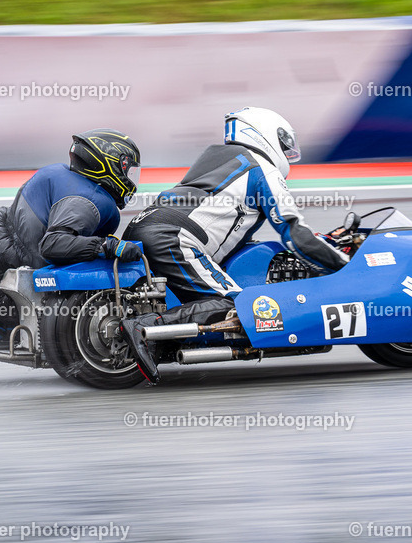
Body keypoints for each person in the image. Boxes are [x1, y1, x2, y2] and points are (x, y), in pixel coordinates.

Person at [119, 107, 348, 384]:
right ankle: (145, 328)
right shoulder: (261, 168)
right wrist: (342, 266)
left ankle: (162, 337)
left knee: (202, 295)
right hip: (175, 236)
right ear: (264, 134)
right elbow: (293, 232)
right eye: (284, 144)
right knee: (235, 303)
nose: (287, 153)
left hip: (144, 226)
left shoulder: (223, 160)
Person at [0, 129, 144, 359]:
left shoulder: (58, 174)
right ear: (110, 165)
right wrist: (107, 246)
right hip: (10, 292)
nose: (131, 180)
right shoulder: (92, 201)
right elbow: (53, 245)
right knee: (104, 264)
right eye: (128, 170)